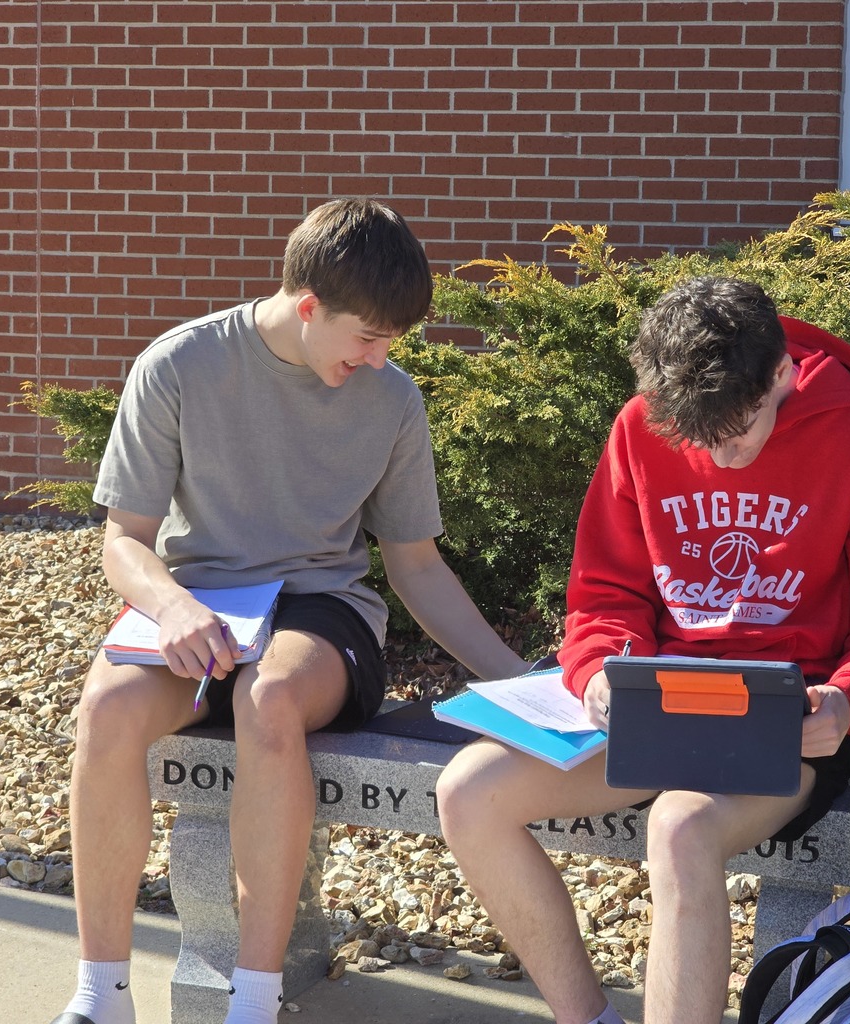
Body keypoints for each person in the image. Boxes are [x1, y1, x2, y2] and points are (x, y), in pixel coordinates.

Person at [50, 197, 529, 1024]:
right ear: (309, 307)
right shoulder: (178, 365)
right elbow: (123, 541)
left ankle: (254, 999)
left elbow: (416, 566)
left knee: (266, 701)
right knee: (108, 709)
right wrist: (168, 606)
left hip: (322, 613)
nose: (381, 360)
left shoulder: (394, 400)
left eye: (393, 343)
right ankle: (101, 996)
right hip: (198, 609)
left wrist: (523, 684)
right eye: (368, 339)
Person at [436, 275, 850, 1024]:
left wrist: (848, 700)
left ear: (781, 376)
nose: (724, 459)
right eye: (700, 443)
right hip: (653, 704)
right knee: (467, 793)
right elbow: (605, 598)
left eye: (738, 434)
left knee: (680, 826)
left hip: (786, 722)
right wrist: (603, 671)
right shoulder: (643, 424)